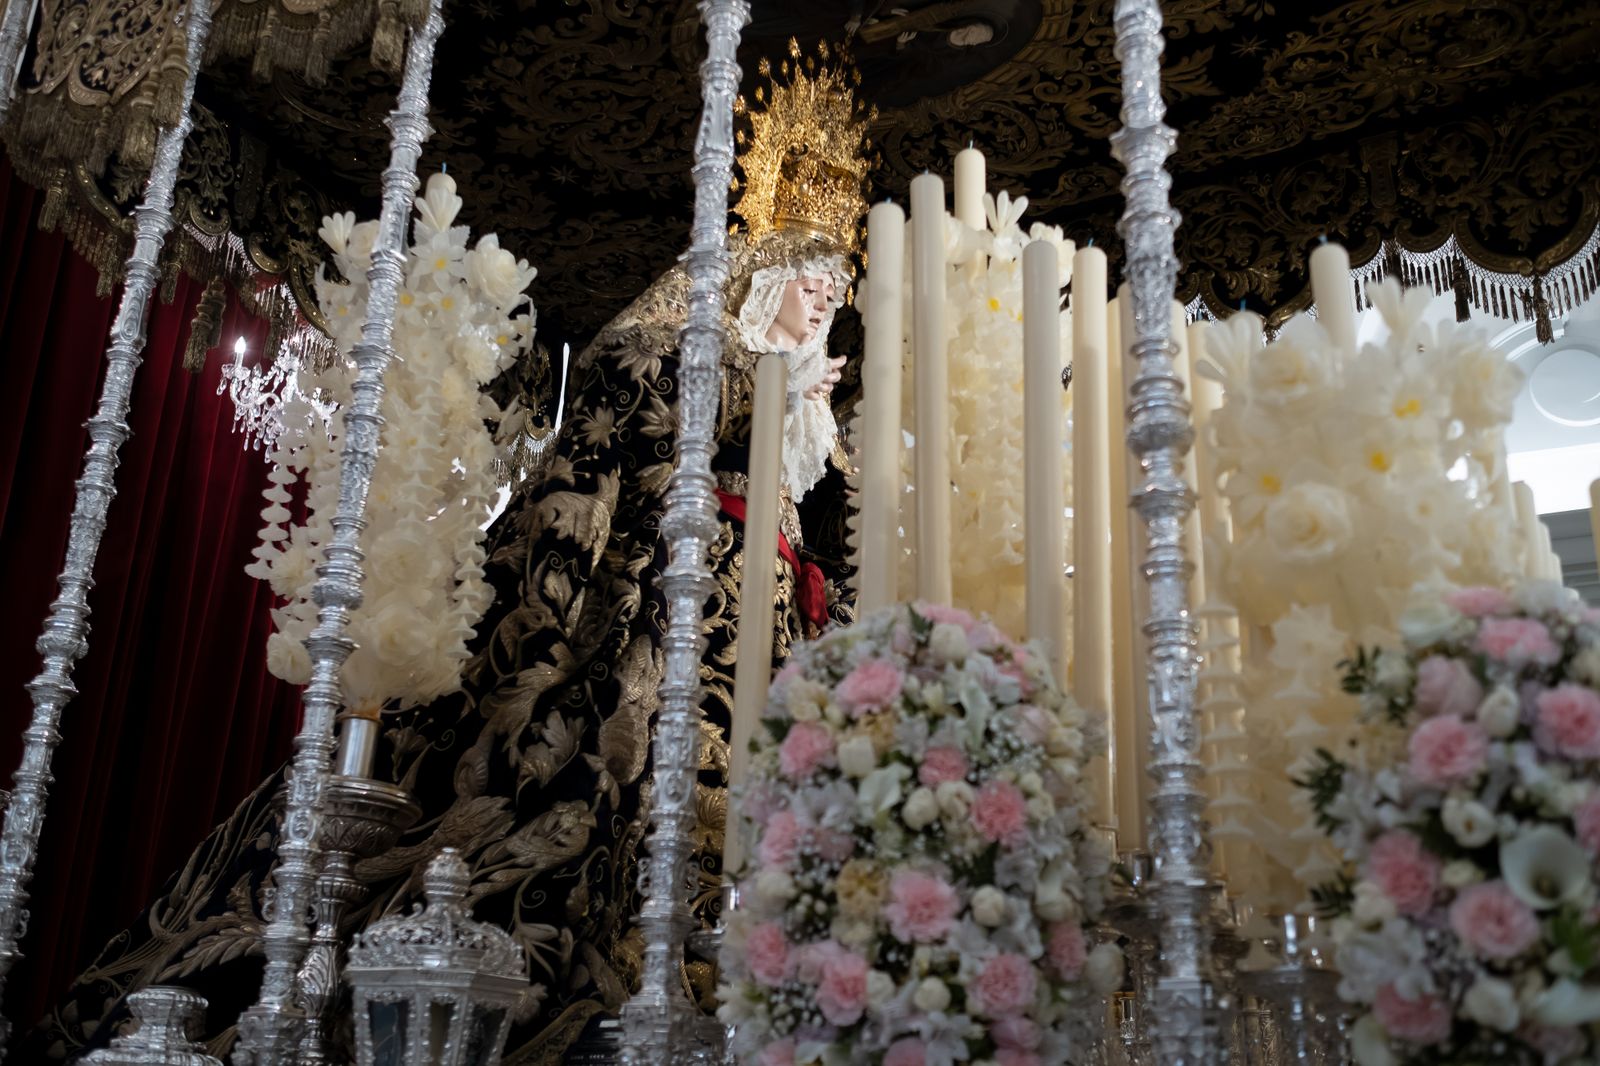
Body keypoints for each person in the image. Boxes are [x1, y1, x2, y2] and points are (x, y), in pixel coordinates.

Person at [21, 40, 871, 1066]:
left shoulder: (819, 415)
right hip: (674, 620)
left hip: (771, 632)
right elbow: (615, 414)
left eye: (839, 283)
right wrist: (747, 392)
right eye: (810, 277)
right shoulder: (684, 354)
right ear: (761, 271)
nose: (826, 298)